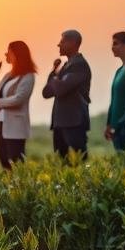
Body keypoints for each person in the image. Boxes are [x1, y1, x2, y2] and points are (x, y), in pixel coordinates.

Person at [42, 29, 92, 160]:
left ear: (73, 43)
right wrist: (54, 73)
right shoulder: (64, 67)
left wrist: (56, 79)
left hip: (74, 122)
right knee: (62, 164)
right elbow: (46, 93)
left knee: (79, 162)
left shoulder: (79, 65)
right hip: (60, 122)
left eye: (62, 41)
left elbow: (61, 89)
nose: (58, 44)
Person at [0, 40, 37, 169]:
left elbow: (19, 99)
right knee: (4, 162)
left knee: (16, 163)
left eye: (8, 52)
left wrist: (0, 102)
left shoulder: (28, 76)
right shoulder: (7, 75)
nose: (5, 55)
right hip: (0, 123)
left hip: (16, 126)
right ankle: (7, 187)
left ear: (16, 54)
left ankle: (19, 188)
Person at [104, 32, 125, 151]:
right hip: (115, 127)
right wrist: (109, 124)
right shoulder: (119, 71)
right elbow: (113, 99)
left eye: (116, 44)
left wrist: (123, 122)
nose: (112, 47)